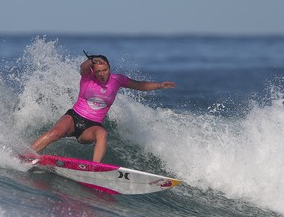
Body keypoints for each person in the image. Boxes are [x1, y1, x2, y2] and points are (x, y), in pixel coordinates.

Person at [29, 53, 176, 163]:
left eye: (104, 70)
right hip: (74, 117)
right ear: (94, 71)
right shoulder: (87, 77)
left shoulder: (117, 80)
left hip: (91, 126)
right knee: (55, 132)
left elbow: (138, 85)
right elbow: (83, 67)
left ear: (109, 68)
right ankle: (26, 155)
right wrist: (92, 61)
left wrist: (159, 85)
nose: (102, 74)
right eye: (98, 71)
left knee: (102, 134)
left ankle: (94, 169)